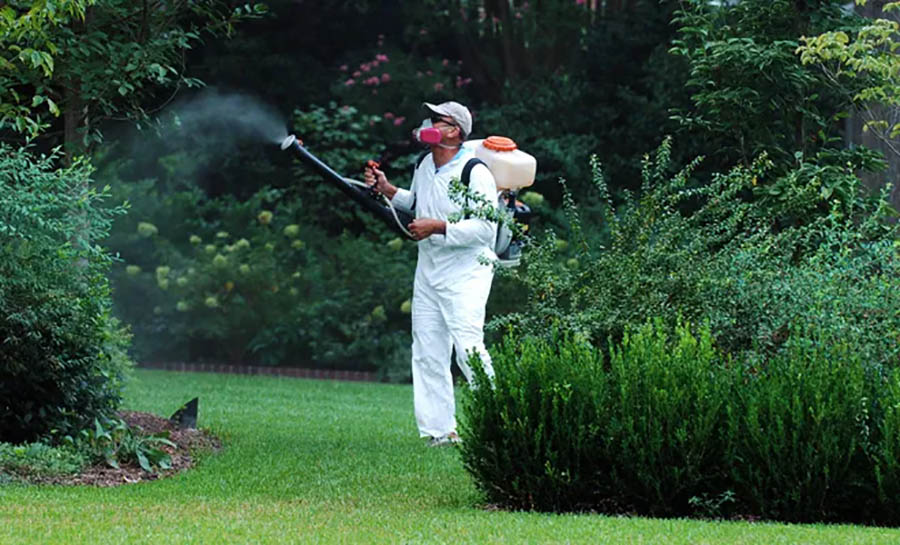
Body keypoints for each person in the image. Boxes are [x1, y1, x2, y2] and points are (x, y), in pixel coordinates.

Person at [364, 101, 497, 447]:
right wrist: (388, 190)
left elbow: (486, 230)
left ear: (455, 131)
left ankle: (499, 423)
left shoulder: (475, 171)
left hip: (467, 271)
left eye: (437, 120)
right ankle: (439, 432)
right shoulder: (424, 163)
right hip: (429, 270)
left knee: (467, 347)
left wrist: (437, 227)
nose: (428, 124)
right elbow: (418, 203)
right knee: (427, 350)